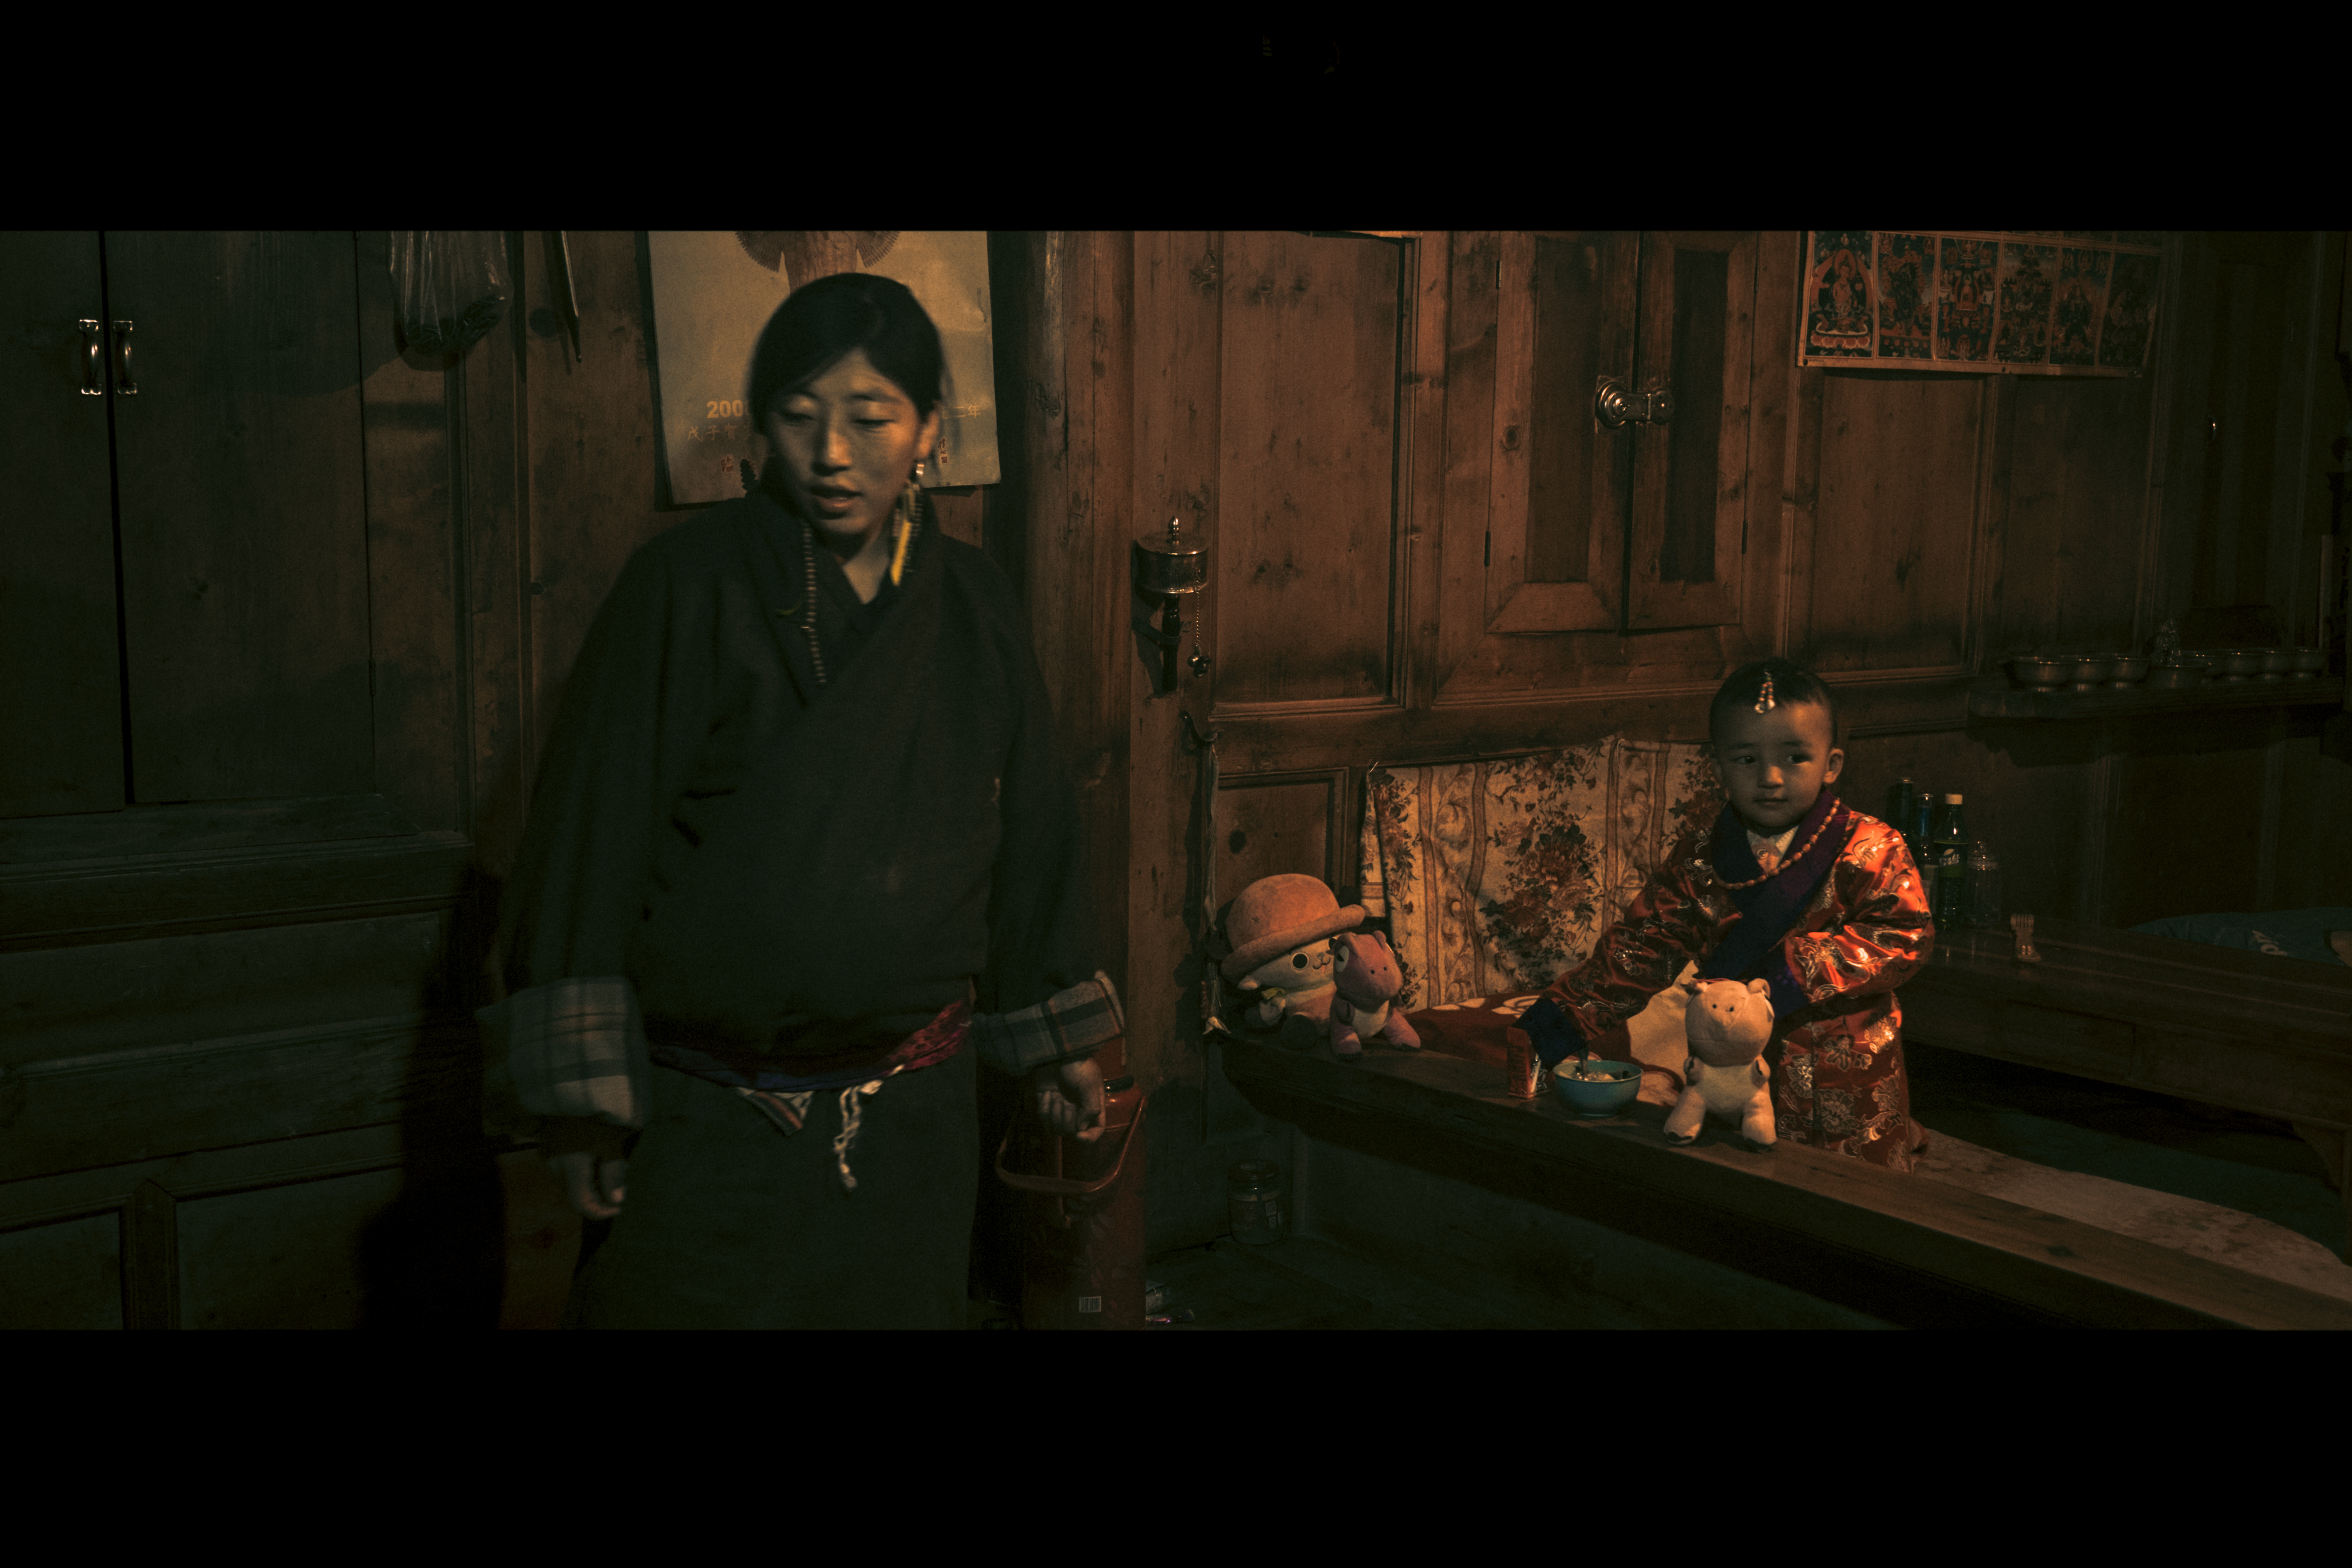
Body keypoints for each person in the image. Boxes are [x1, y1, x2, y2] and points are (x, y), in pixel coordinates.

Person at [476, 272, 1119, 1327]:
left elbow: (1034, 838)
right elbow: (590, 838)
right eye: (800, 415)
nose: (831, 454)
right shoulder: (683, 587)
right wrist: (583, 1108)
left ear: (930, 429)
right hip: (704, 1125)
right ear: (760, 425)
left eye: (871, 418)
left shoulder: (974, 604)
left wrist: (1056, 1040)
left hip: (910, 1127)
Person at [1519, 658, 1935, 1171]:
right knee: (1737, 1183)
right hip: (1731, 1064)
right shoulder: (1701, 857)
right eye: (1747, 759)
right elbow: (1641, 948)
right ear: (1718, 769)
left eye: (1795, 757)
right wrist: (1557, 1023)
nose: (1771, 778)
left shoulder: (1871, 847)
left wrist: (1789, 974)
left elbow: (1906, 934)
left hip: (1848, 1063)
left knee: (1857, 1194)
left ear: (1832, 765)